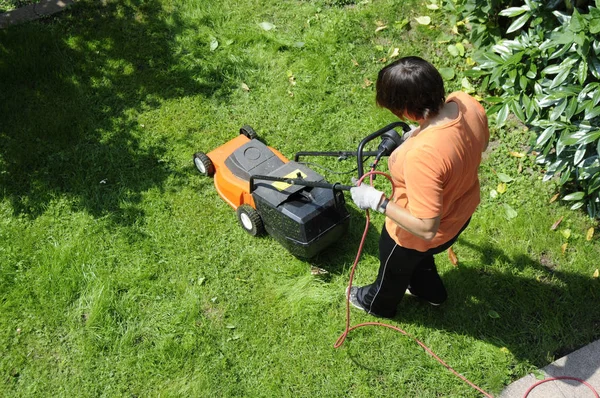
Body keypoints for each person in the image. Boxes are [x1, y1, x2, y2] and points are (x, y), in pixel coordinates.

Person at [348, 56, 489, 318]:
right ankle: (430, 292)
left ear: (409, 112)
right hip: (460, 213)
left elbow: (425, 227)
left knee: (392, 270)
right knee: (420, 259)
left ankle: (375, 303)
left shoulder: (422, 156)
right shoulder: (465, 103)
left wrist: (376, 200)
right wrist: (422, 130)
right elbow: (479, 144)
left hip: (412, 236)